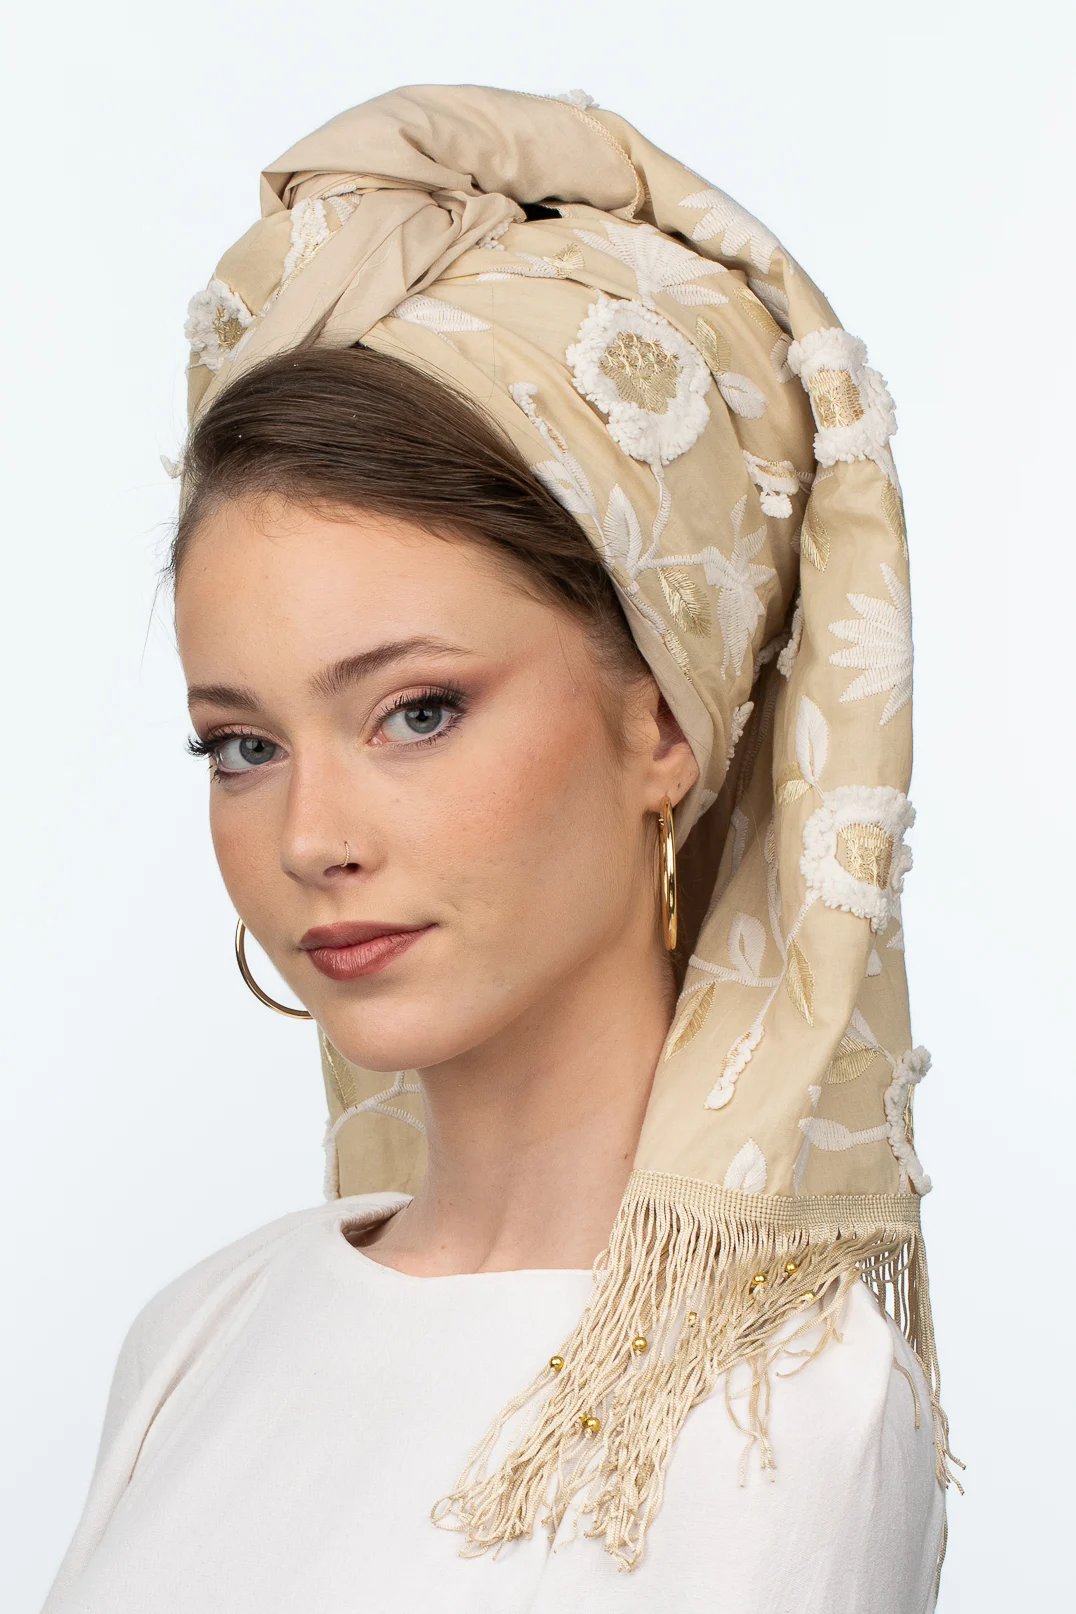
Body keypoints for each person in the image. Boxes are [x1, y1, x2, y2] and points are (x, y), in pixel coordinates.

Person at [42, 85, 958, 1613]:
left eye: (416, 711)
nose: (311, 837)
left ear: (661, 719)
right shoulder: (201, 1332)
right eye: (242, 743)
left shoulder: (781, 1410)